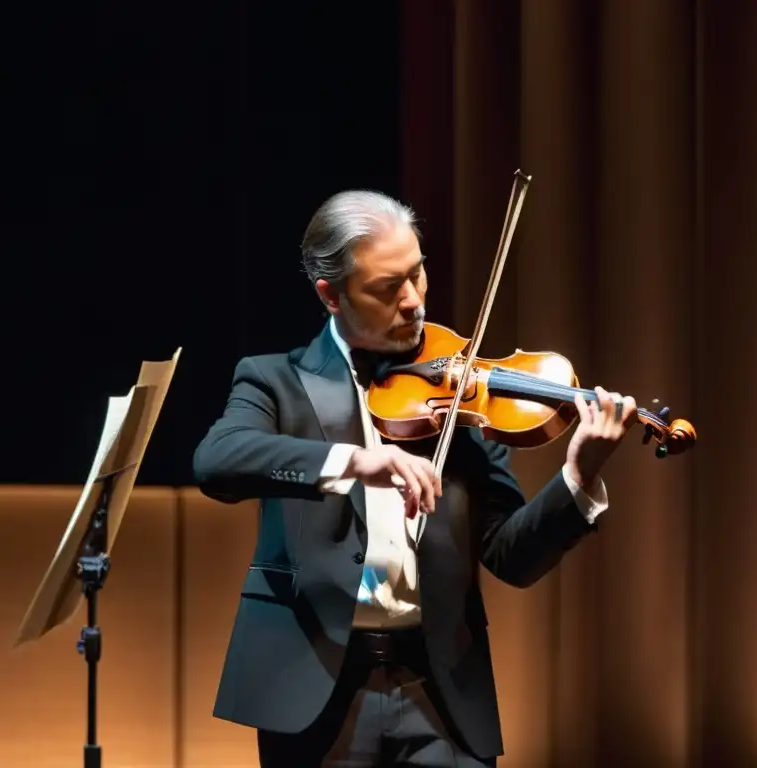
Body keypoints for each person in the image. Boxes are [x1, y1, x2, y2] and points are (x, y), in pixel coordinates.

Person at [192, 190, 638, 767]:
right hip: (316, 692)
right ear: (330, 295)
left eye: (418, 275)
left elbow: (511, 557)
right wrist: (355, 461)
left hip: (441, 692)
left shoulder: (461, 388)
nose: (413, 302)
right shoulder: (274, 381)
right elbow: (218, 461)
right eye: (386, 288)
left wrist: (578, 475)